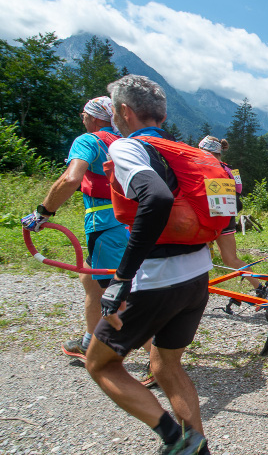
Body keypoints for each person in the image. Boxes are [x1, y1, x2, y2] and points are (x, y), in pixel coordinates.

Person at [85, 75, 212, 454]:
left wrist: (121, 278)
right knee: (165, 365)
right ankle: (197, 447)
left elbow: (155, 199)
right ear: (162, 113)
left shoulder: (128, 148)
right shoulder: (182, 150)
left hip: (158, 278)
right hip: (197, 277)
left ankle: (174, 439)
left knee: (100, 364)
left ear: (124, 112)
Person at [21, 96, 128, 362]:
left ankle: (157, 361)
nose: (82, 119)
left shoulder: (88, 140)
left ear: (93, 118)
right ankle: (90, 342)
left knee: (115, 294)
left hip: (106, 226)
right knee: (91, 281)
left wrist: (42, 212)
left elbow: (71, 179)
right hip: (130, 224)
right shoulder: (127, 144)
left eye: (84, 114)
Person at [198, 135, 268, 298]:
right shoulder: (230, 170)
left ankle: (196, 292)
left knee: (197, 257)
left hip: (205, 216)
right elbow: (238, 190)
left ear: (205, 151)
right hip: (227, 216)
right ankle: (259, 287)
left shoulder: (203, 167)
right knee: (231, 259)